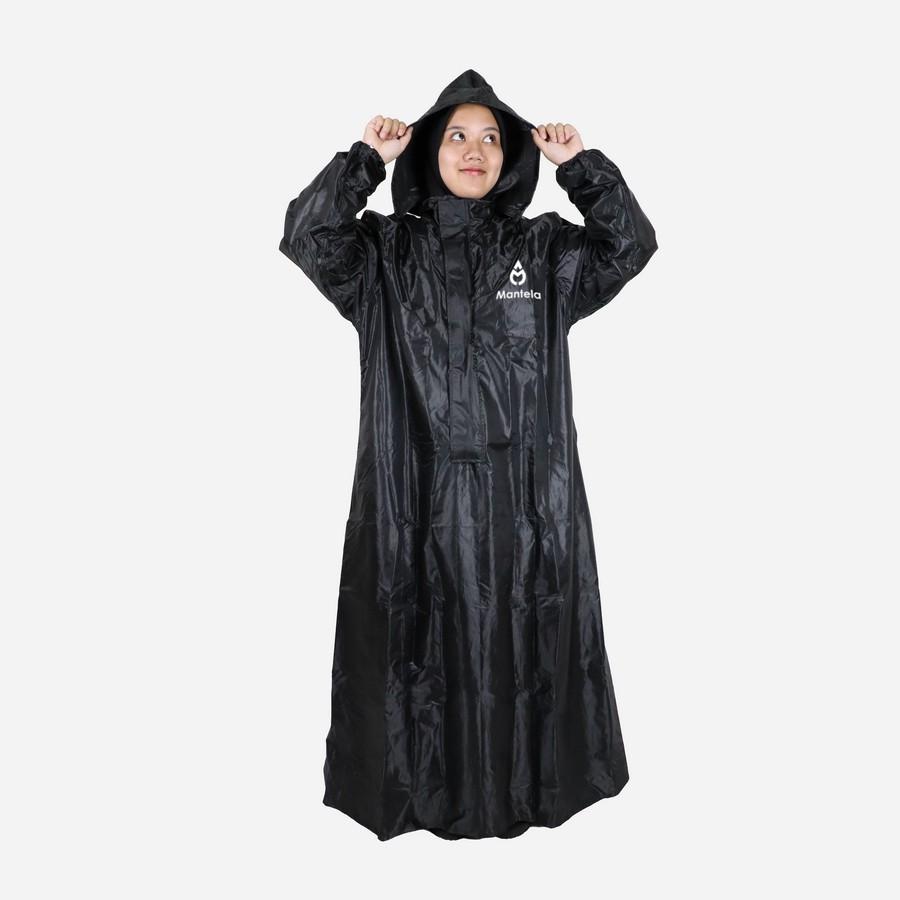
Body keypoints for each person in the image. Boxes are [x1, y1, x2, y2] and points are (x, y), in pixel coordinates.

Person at [278, 69, 657, 841]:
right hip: (410, 499)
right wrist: (365, 160)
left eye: (490, 137)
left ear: (510, 156)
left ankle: (526, 795)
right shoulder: (382, 253)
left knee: (523, 651)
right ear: (430, 151)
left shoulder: (543, 251)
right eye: (456, 135)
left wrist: (581, 167)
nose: (474, 150)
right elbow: (307, 235)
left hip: (526, 511)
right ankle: (420, 797)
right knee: (416, 655)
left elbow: (629, 245)